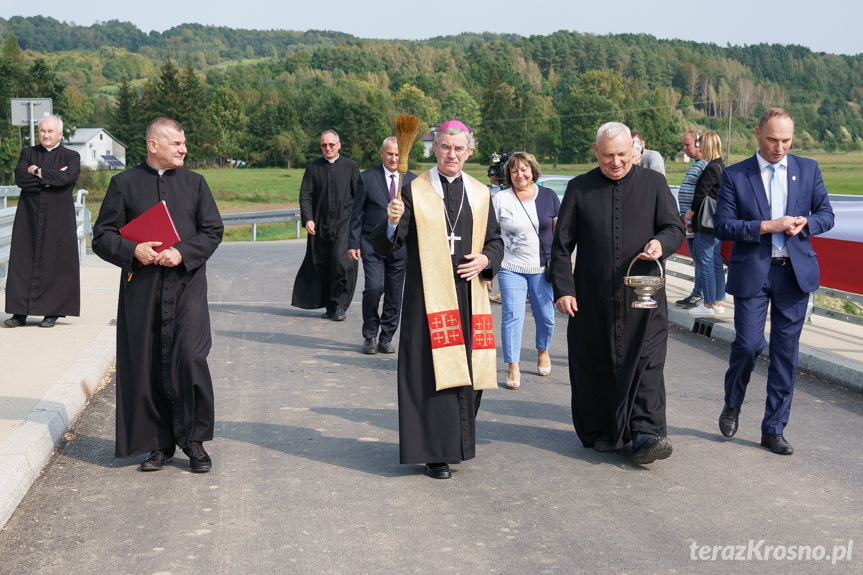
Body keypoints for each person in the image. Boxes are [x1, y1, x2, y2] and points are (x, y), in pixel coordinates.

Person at [372, 120, 503, 480]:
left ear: (469, 152)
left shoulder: (479, 193)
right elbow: (389, 242)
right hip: (428, 297)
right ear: (435, 148)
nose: (452, 154)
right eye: (446, 147)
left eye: (459, 149)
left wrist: (487, 259)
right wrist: (391, 222)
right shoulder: (415, 190)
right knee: (432, 375)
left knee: (469, 375)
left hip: (468, 296)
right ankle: (436, 453)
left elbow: (495, 240)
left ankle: (456, 440)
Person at [92, 117, 224, 472]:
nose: (184, 149)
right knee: (147, 364)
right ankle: (156, 445)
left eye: (184, 143)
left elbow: (213, 230)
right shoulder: (124, 184)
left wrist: (182, 252)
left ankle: (193, 442)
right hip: (143, 290)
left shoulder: (196, 183)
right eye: (176, 143)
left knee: (190, 359)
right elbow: (102, 237)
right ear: (154, 145)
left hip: (187, 286)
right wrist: (134, 250)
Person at [550, 122, 684, 464]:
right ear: (596, 152)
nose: (616, 162)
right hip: (592, 299)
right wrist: (564, 289)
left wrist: (661, 243)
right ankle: (601, 430)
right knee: (596, 365)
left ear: (634, 151)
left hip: (644, 300)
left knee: (647, 364)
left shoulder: (653, 183)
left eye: (623, 155)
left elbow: (675, 228)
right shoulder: (579, 188)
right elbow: (562, 246)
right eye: (608, 155)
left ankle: (647, 434)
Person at [714, 108, 834, 455]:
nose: (779, 147)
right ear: (757, 134)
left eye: (786, 140)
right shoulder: (736, 175)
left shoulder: (808, 169)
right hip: (754, 269)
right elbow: (723, 225)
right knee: (749, 345)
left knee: (786, 355)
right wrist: (767, 226)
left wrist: (805, 223)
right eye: (772, 139)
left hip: (794, 274)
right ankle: (733, 403)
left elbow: (827, 215)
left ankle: (773, 429)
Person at [491, 152, 560, 390]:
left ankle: (543, 350)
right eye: (514, 171)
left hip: (542, 268)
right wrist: (489, 271)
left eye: (524, 169)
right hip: (511, 267)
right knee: (512, 316)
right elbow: (490, 235)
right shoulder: (501, 199)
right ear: (509, 175)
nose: (519, 174)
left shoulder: (549, 196)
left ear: (533, 171)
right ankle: (513, 365)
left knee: (546, 316)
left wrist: (566, 263)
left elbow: (559, 234)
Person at [4, 115, 81, 329]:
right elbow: (21, 179)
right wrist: (51, 179)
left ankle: (52, 311)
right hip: (28, 216)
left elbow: (68, 178)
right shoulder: (28, 153)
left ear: (60, 134)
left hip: (58, 219)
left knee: (55, 262)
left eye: (50, 131)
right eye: (42, 131)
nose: (45, 135)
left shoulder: (71, 156)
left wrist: (37, 172)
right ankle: (19, 313)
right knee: (22, 261)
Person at [348, 137, 416, 354]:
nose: (394, 158)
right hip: (372, 245)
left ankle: (386, 336)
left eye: (397, 155)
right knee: (374, 288)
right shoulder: (367, 178)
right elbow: (356, 213)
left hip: (400, 247)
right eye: (390, 154)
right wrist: (353, 242)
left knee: (395, 294)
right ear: (382, 153)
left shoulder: (413, 181)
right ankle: (370, 334)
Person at [292, 130, 359, 321]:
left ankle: (340, 305)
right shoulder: (313, 167)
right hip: (320, 224)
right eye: (324, 145)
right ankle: (330, 306)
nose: (327, 148)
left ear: (339, 145)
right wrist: (308, 218)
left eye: (331, 144)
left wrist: (358, 224)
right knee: (322, 264)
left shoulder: (351, 166)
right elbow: (306, 194)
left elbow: (359, 196)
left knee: (341, 262)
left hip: (345, 222)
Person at [686, 131, 726, 316]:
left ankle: (708, 304)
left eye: (701, 144)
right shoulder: (721, 166)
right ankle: (718, 300)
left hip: (704, 221)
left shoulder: (710, 168)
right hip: (717, 221)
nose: (699, 147)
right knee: (716, 260)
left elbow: (700, 194)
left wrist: (690, 213)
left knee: (706, 260)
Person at [675, 130, 708, 309]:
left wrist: (691, 218)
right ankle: (697, 292)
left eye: (688, 145)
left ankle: (700, 294)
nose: (685, 148)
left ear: (698, 144)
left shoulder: (705, 165)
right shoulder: (697, 164)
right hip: (689, 221)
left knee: (702, 259)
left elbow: (702, 194)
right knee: (697, 258)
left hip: (696, 222)